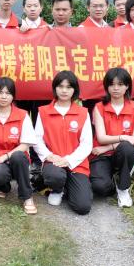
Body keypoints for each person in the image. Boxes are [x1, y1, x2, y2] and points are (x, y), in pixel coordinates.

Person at [34, 70, 94, 215]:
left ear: (74, 90)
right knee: (55, 176)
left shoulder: (83, 113)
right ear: (55, 88)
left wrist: (68, 160)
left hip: (76, 164)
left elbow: (87, 144)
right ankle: (57, 189)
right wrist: (49, 156)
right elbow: (37, 139)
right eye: (60, 86)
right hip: (53, 162)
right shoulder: (43, 112)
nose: (64, 90)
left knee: (82, 207)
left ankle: (68, 186)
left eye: (68, 87)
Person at [0, 77, 37, 214]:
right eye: (0, 92)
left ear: (13, 96)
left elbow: (25, 144)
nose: (4, 97)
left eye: (8, 93)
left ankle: (27, 196)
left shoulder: (22, 115)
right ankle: (2, 186)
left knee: (18, 156)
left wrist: (5, 156)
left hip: (18, 160)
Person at [90, 68, 134, 208]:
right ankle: (114, 182)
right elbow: (101, 138)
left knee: (127, 148)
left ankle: (123, 188)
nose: (116, 88)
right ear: (107, 87)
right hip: (102, 155)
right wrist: (124, 137)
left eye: (120, 84)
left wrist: (109, 146)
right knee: (99, 187)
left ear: (127, 86)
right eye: (112, 84)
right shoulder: (99, 107)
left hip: (121, 153)